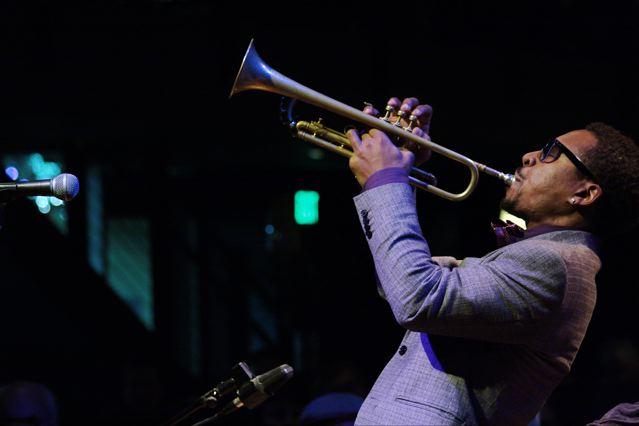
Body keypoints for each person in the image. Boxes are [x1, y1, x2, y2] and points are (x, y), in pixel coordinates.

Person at [345, 97, 639, 425]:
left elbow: (415, 296)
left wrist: (387, 179)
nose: (529, 157)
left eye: (550, 152)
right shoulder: (546, 258)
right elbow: (397, 282)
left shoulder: (555, 265)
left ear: (584, 194)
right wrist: (403, 167)